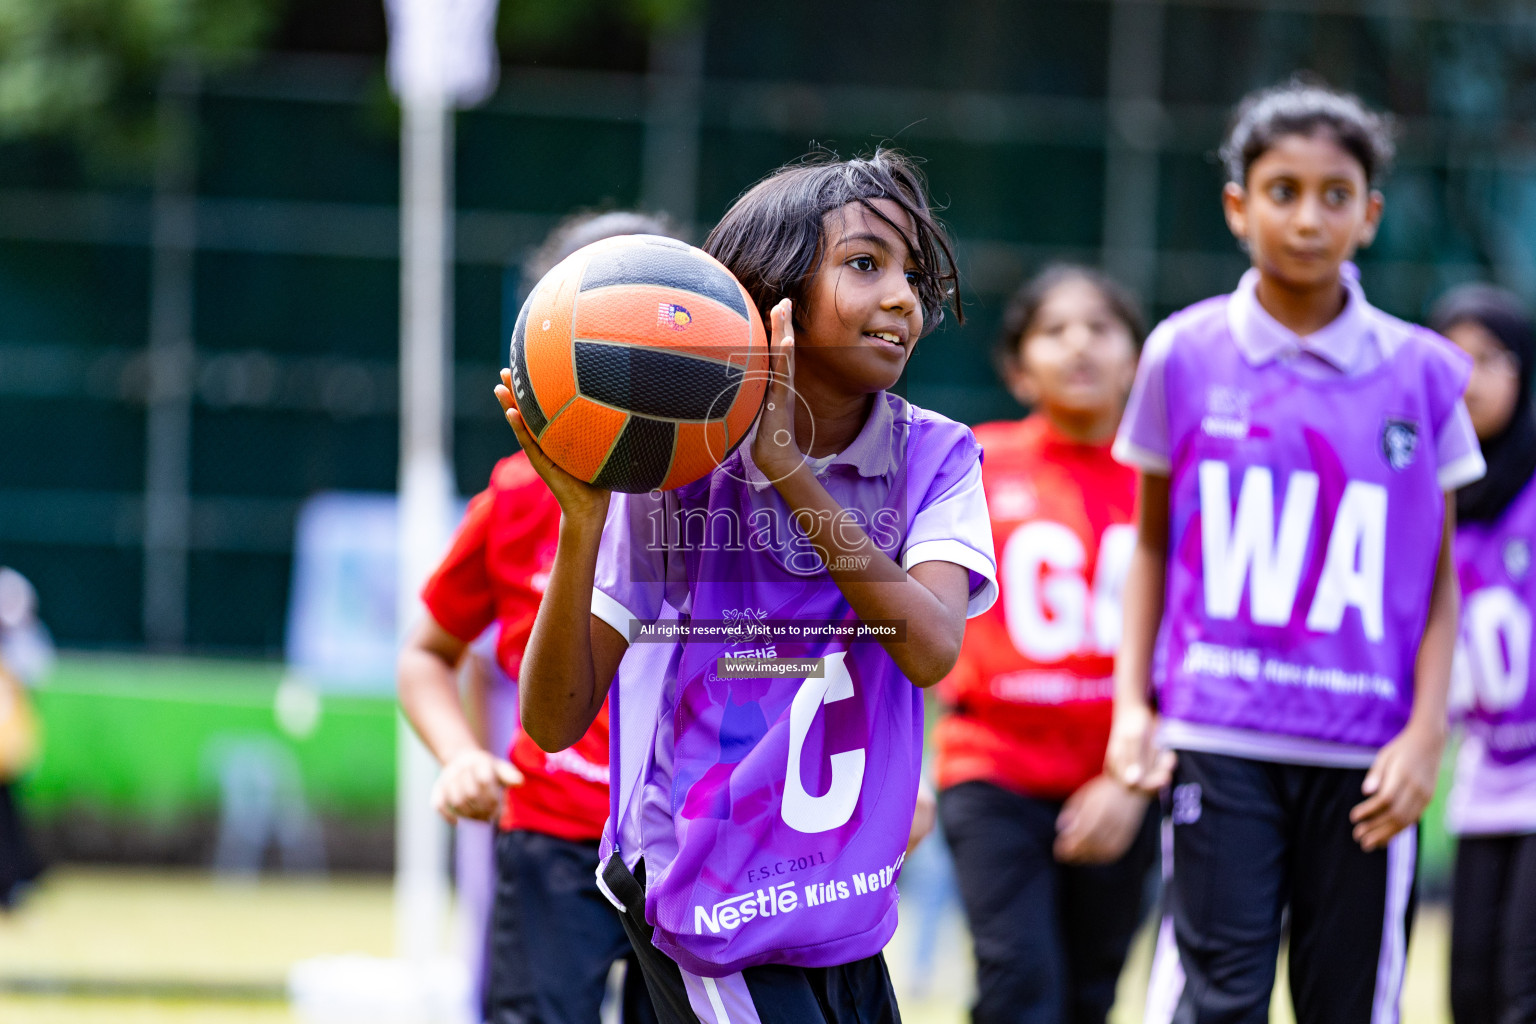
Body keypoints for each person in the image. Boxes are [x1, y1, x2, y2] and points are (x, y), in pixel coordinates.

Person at [498, 150, 997, 1024]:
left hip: (844, 908)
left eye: (912, 274)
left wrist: (790, 469)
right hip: (706, 904)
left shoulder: (936, 456)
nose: (902, 299)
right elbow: (552, 722)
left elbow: (929, 648)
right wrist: (583, 524)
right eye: (865, 264)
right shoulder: (682, 470)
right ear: (771, 302)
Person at [1105, 78, 1486, 1024]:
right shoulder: (1181, 354)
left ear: (1370, 216)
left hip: (1367, 754)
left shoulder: (1429, 374)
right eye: (1282, 191)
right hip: (1217, 733)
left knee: (1347, 1004)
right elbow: (1152, 542)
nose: (1308, 218)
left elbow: (1436, 579)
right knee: (1213, 999)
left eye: (1335, 195)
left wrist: (1425, 736)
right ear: (1239, 207)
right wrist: (1132, 705)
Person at [398, 210, 676, 1024]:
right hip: (552, 835)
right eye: (592, 314)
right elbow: (425, 653)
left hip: (694, 844)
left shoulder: (721, 493)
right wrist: (457, 757)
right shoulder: (517, 494)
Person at [933, 265, 1156, 1024]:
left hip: (1122, 777)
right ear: (1018, 368)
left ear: (1135, 358)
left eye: (1100, 327)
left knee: (1091, 994)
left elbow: (1195, 643)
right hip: (993, 768)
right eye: (1055, 331)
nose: (1080, 345)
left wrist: (1130, 784)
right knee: (1019, 982)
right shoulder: (970, 464)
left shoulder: (1172, 479)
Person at [1430, 285, 1536, 1024]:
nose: (1469, 377)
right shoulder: (1429, 497)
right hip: (1480, 781)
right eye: (1451, 357)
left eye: (1489, 358)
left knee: (1522, 990)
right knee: (1468, 991)